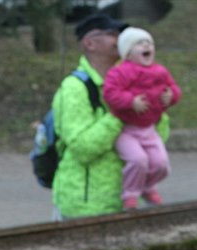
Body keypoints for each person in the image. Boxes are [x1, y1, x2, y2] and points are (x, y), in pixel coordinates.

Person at [50, 12, 170, 220]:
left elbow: (158, 137)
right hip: (84, 207)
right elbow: (83, 148)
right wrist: (121, 113)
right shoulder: (74, 88)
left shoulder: (136, 79)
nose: (122, 38)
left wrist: (156, 110)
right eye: (113, 34)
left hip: (126, 204)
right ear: (90, 43)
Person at [103, 27, 181, 210]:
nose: (146, 45)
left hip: (149, 129)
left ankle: (148, 186)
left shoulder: (160, 71)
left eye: (149, 43)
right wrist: (130, 102)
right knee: (138, 160)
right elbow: (110, 93)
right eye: (139, 43)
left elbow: (174, 88)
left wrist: (172, 96)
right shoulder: (120, 72)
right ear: (127, 52)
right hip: (127, 130)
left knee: (161, 164)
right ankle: (130, 194)